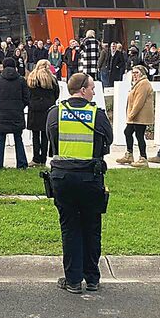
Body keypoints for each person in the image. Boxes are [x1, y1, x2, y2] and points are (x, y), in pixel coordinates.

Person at [46, 72, 114, 294]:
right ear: (83, 90)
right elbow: (109, 139)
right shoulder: (97, 114)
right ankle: (92, 278)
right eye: (92, 88)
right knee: (92, 227)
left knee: (70, 227)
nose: (94, 92)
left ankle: (73, 280)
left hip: (63, 178)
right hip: (90, 177)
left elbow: (51, 139)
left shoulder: (55, 113)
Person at [0, 57, 30, 169]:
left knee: (0, 139)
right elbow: (26, 98)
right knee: (18, 139)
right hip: (17, 113)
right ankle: (21, 164)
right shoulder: (21, 80)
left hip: (1, 114)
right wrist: (20, 106)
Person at [116, 65, 154, 167]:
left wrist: (131, 115)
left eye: (136, 72)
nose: (134, 75)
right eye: (133, 73)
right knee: (128, 132)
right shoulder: (138, 83)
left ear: (142, 73)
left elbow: (139, 101)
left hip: (140, 116)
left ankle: (143, 158)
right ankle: (129, 154)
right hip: (136, 116)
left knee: (139, 135)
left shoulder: (143, 83)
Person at [26, 59, 59, 166]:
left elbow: (27, 94)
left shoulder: (32, 78)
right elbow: (56, 94)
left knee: (35, 135)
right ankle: (43, 158)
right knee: (45, 135)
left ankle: (36, 158)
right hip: (47, 109)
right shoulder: (52, 79)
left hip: (34, 110)